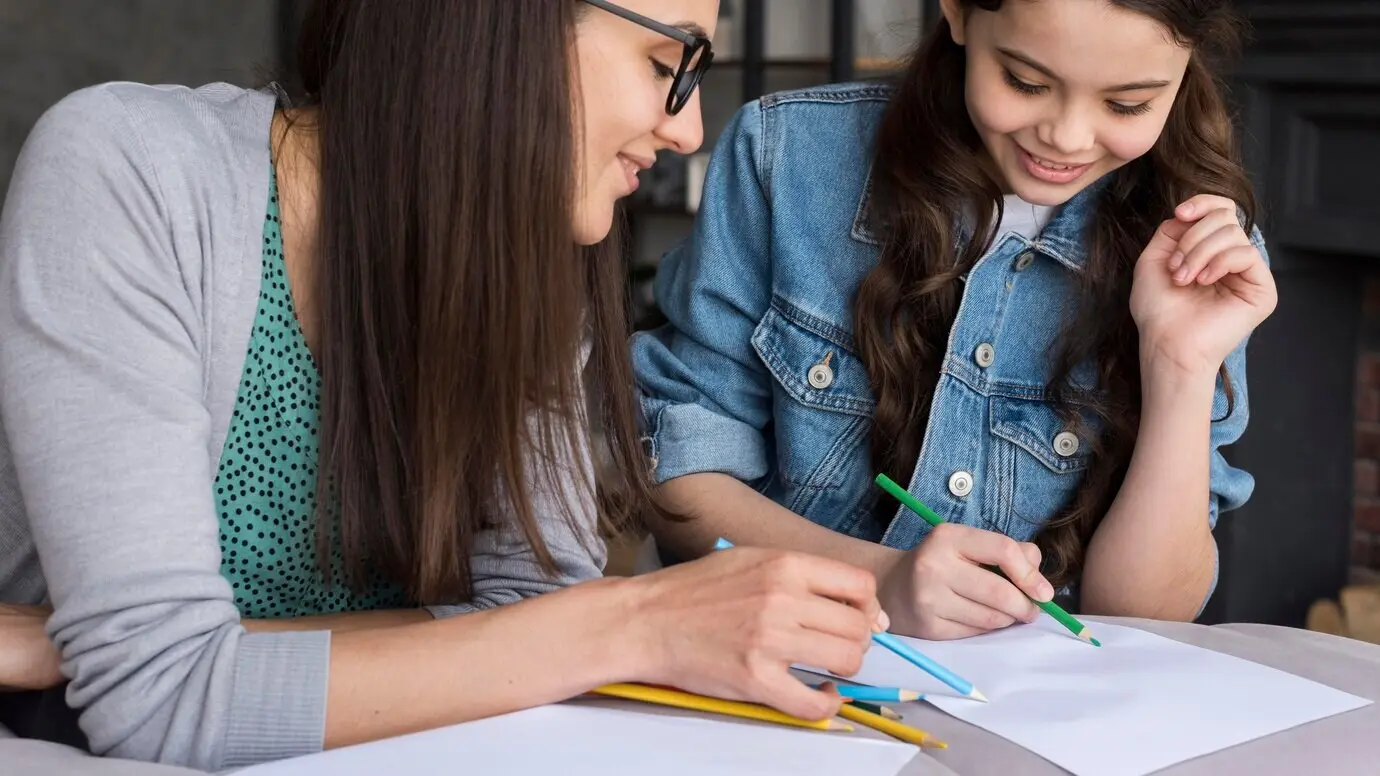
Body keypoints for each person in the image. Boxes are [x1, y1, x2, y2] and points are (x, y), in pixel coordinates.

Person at [0, 0, 885, 769]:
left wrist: (150, 656)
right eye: (667, 62)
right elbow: (161, 705)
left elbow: (529, 615)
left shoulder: (527, 267)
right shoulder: (129, 174)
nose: (689, 129)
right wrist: (635, 622)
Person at [631, 0, 1278, 640]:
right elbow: (680, 480)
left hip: (1030, 716)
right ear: (960, 13)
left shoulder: (1201, 255)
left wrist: (1180, 365)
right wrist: (881, 578)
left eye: (1127, 104)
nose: (1068, 137)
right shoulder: (787, 154)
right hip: (773, 672)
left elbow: (1144, 616)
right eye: (1026, 82)